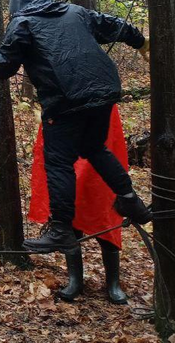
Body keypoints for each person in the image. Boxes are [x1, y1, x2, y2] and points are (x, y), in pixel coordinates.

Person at [0, 0, 152, 254]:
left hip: (66, 99)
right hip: (105, 91)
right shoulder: (75, 12)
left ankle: (61, 230)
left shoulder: (22, 22)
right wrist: (141, 41)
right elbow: (115, 25)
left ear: (15, 6)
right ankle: (129, 199)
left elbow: (4, 66)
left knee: (58, 163)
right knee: (94, 148)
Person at [29, 104, 130, 303]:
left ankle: (113, 282)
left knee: (104, 212)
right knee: (69, 209)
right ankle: (75, 280)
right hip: (65, 139)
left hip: (100, 134)